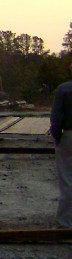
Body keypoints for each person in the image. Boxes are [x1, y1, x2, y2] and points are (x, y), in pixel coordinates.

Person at [50, 63, 72, 228]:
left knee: (67, 179)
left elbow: (56, 116)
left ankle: (65, 221)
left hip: (69, 135)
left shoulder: (63, 89)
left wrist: (58, 137)